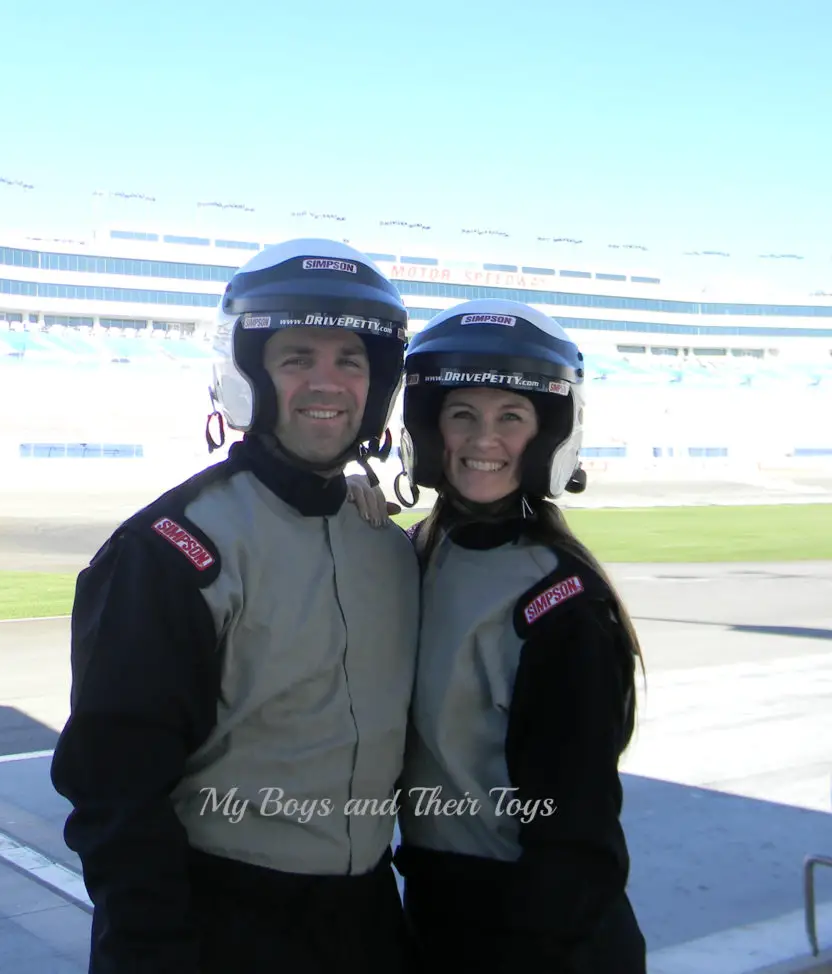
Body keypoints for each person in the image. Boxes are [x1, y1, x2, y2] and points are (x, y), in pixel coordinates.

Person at [49, 238, 420, 974]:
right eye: (296, 359)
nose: (328, 382)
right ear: (246, 377)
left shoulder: (387, 546)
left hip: (370, 918)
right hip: (224, 920)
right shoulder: (175, 549)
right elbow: (115, 792)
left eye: (350, 361)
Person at [351, 297, 646, 972]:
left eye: (511, 417)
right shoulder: (416, 554)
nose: (484, 438)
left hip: (534, 931)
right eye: (463, 415)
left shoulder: (560, 602)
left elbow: (575, 832)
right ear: (433, 431)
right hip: (438, 905)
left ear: (545, 435)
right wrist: (338, 511)